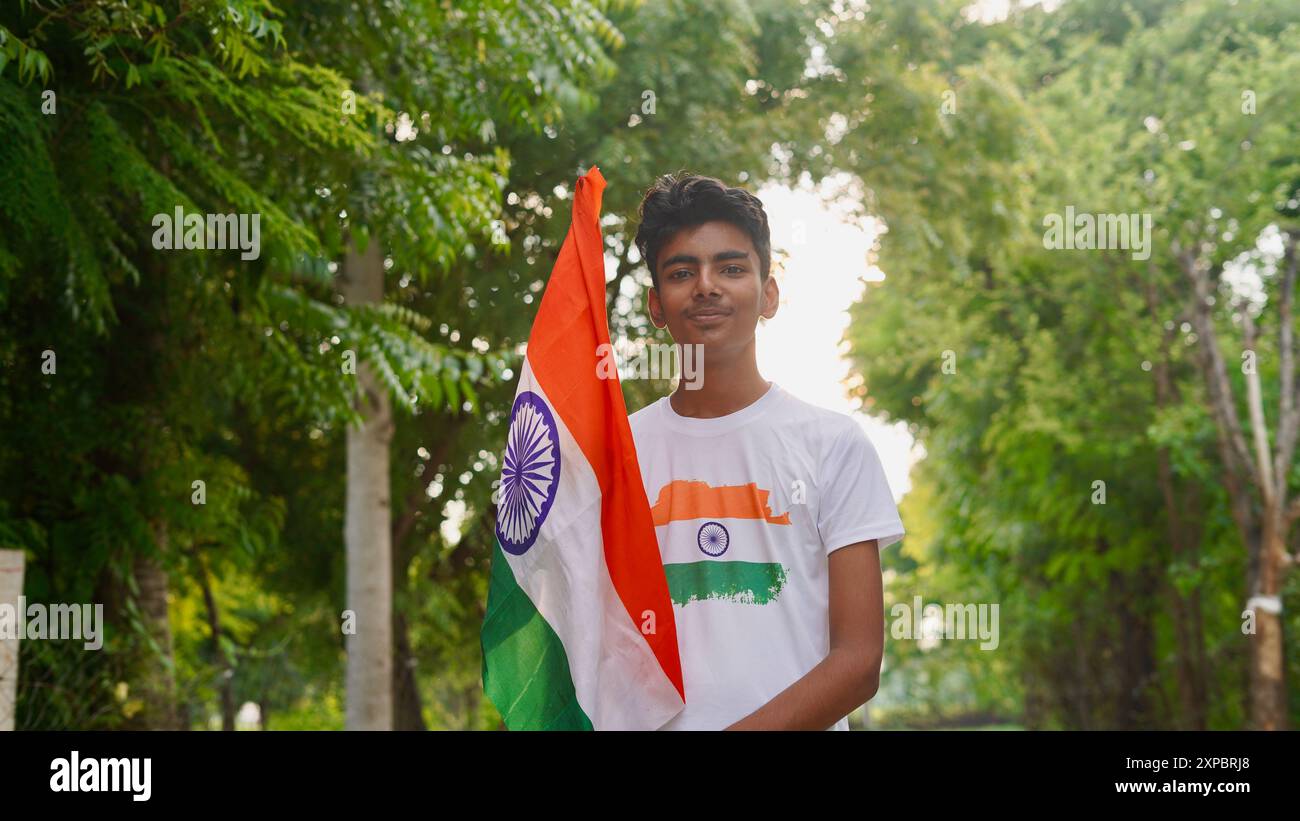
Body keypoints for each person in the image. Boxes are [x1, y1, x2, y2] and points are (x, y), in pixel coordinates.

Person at [628, 173, 905, 730]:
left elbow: (857, 662)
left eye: (731, 268)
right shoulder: (617, 453)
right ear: (657, 305)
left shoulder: (832, 444)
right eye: (682, 272)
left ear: (769, 294)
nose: (706, 286)